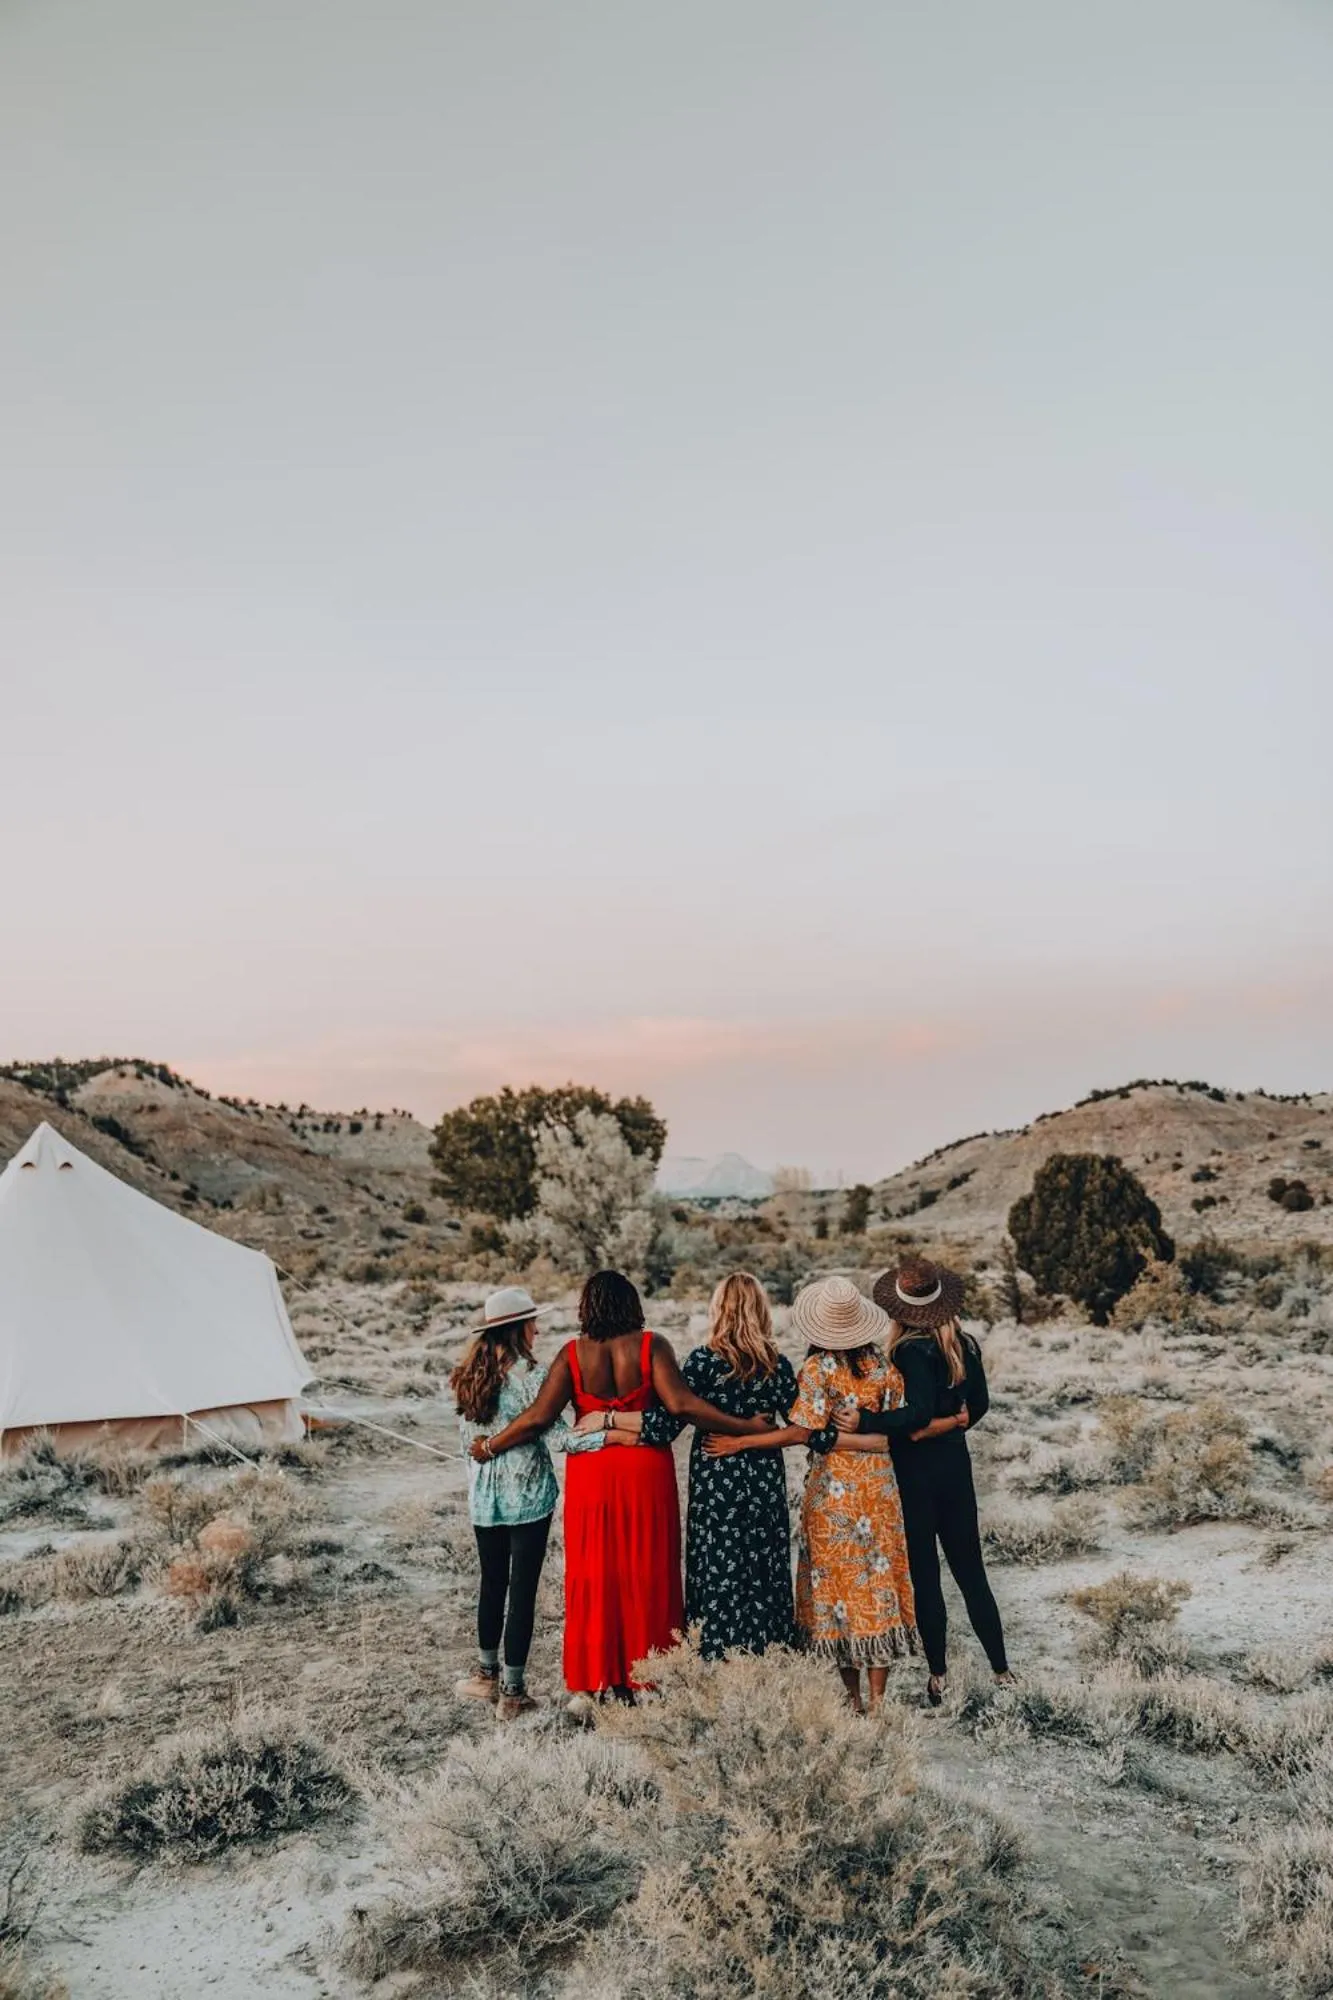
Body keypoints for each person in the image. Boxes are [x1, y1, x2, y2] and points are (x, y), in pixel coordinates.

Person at [474, 1268, 765, 1699]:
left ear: (586, 1307)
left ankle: (600, 1677)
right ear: (632, 1303)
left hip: (593, 1476)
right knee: (648, 1571)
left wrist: (491, 1445)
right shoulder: (652, 1346)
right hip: (645, 1472)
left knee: (596, 1575)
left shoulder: (572, 1354)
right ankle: (648, 1673)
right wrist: (745, 1427)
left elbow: (538, 1418)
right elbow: (683, 1406)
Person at [705, 1275, 951, 1714]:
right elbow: (892, 1434)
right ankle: (878, 1702)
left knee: (837, 1594)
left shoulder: (817, 1370)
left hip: (831, 1495)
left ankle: (852, 1699)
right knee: (877, 1588)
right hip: (878, 1492)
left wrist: (742, 1442)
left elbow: (803, 1432)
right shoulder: (883, 1367)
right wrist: (870, 1441)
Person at [451, 1285, 633, 1719]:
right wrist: (610, 1435)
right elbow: (558, 1438)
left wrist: (488, 1453)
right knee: (523, 1590)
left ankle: (486, 1675)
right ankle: (513, 1693)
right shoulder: (531, 1376)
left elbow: (467, 1443)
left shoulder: (469, 1376)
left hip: (485, 1498)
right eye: (533, 1322)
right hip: (528, 1497)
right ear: (519, 1328)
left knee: (492, 1583)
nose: (537, 1329)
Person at [837, 1256, 1011, 1706]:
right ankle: (1001, 1670)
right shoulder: (964, 1344)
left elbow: (914, 1417)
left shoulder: (909, 1351)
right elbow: (979, 1405)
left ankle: (938, 1677)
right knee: (972, 1573)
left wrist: (867, 1420)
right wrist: (952, 1424)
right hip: (955, 1469)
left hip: (914, 1475)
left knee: (927, 1578)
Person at [607, 1272, 799, 1658]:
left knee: (717, 1562)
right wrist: (753, 1437)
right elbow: (802, 1429)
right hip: (763, 1478)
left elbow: (666, 1424)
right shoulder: (776, 1365)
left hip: (716, 1477)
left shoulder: (703, 1362)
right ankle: (769, 1648)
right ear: (761, 1310)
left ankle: (717, 1649)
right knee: (763, 1559)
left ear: (719, 1309)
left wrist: (611, 1423)